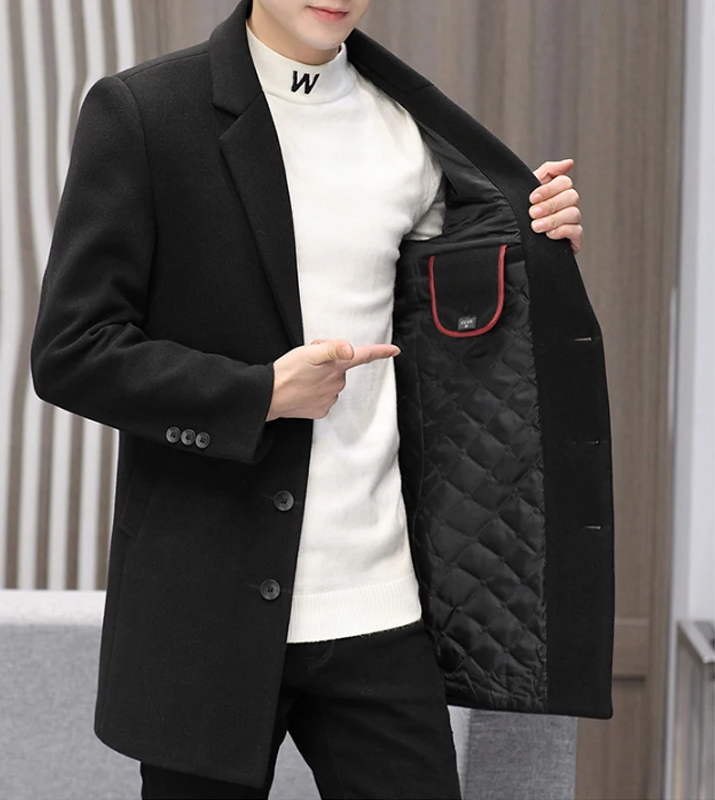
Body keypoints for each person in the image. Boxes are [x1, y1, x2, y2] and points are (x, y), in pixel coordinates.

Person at [31, 1, 590, 798]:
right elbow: (71, 352)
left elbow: (469, 327)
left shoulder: (408, 133)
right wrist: (257, 394)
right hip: (208, 608)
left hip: (379, 601)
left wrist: (538, 239)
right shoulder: (145, 113)